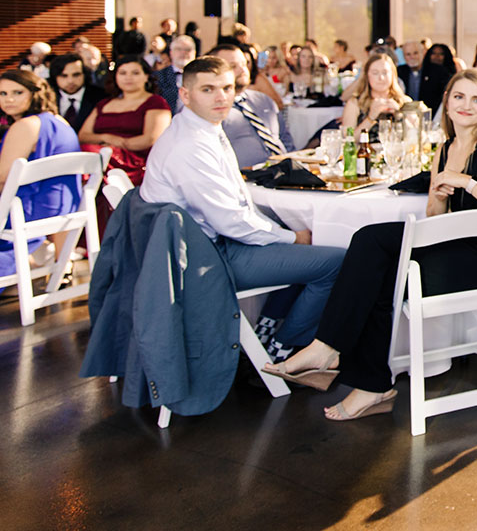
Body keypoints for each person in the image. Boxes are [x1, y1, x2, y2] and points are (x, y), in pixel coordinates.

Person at [263, 69, 477, 420]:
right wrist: (436, 195)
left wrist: (467, 181)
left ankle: (332, 351)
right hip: (454, 249)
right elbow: (436, 220)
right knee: (374, 265)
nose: (467, 105)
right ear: (446, 103)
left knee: (372, 241)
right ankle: (369, 383)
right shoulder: (445, 149)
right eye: (459, 97)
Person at [139, 57, 343, 357]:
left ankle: (268, 328)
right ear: (185, 95)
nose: (221, 97)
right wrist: (291, 237)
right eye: (208, 89)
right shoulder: (189, 145)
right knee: (337, 262)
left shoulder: (202, 126)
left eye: (227, 88)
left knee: (298, 242)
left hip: (207, 242)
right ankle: (285, 347)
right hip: (205, 257)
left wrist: (285, 234)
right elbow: (231, 222)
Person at [0, 70, 82, 280]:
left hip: (29, 211)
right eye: (2, 93)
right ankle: (37, 261)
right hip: (63, 206)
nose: (8, 99)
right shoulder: (59, 121)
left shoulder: (25, 125)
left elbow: (3, 177)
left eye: (17, 92)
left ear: (34, 94)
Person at [78, 56, 171, 187]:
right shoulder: (104, 103)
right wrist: (107, 138)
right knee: (82, 153)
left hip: (135, 162)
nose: (128, 77)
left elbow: (150, 139)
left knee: (89, 155)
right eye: (123, 73)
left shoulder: (156, 103)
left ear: (146, 76)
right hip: (101, 153)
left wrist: (120, 143)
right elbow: (83, 135)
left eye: (135, 73)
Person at [209, 44, 295, 168]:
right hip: (248, 181)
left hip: (286, 177)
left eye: (244, 64)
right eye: (233, 66)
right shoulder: (213, 110)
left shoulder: (264, 100)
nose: (243, 70)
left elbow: (286, 139)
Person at [341, 52, 407, 142]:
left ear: (393, 75)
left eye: (385, 72)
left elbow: (419, 137)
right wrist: (370, 118)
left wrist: (400, 115)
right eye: (375, 73)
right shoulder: (355, 103)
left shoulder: (404, 101)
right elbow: (348, 141)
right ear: (367, 76)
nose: (381, 78)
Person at [49, 53, 105, 134]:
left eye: (76, 75)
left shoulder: (100, 97)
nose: (70, 81)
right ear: (55, 77)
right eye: (64, 76)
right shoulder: (46, 98)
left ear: (84, 74)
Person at [398, 40, 450, 113]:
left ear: (423, 53)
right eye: (408, 54)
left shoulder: (438, 71)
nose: (412, 57)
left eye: (415, 53)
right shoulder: (399, 72)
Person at [153, 34, 197, 114]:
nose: (183, 52)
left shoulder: (201, 76)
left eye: (187, 49)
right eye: (178, 49)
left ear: (194, 53)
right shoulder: (158, 76)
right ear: (171, 53)